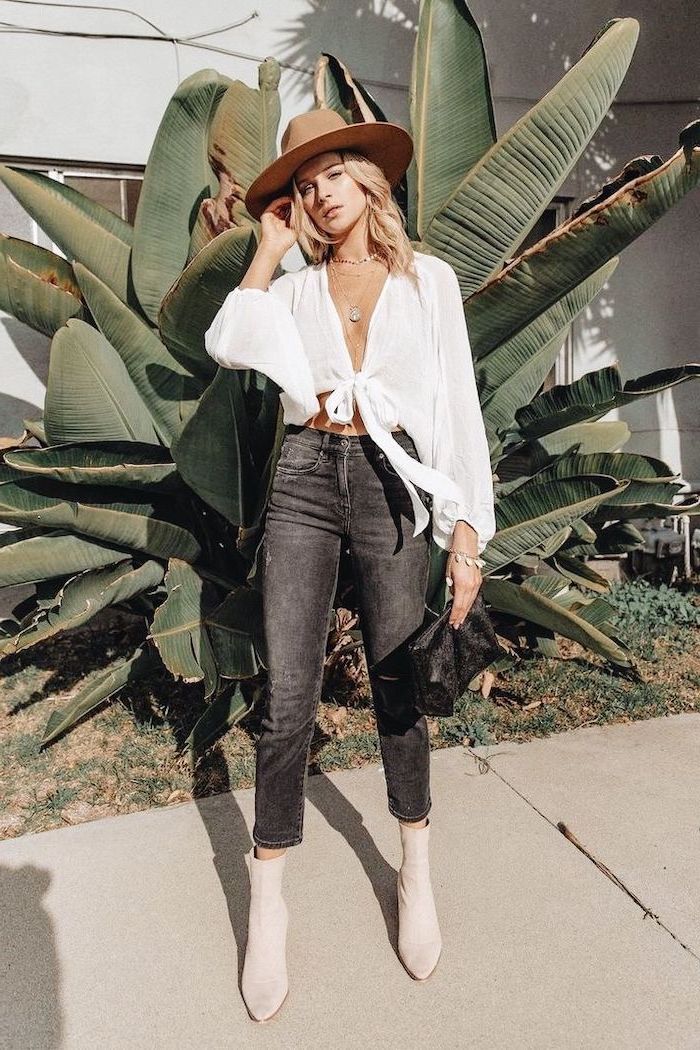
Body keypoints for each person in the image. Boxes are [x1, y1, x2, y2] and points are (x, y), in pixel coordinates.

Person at [204, 108, 496, 1022]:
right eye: (304, 183)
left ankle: (414, 868)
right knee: (288, 698)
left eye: (333, 172)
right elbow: (225, 339)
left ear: (370, 180)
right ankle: (270, 901)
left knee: (397, 682)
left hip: (392, 482)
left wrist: (466, 531)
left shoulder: (431, 283)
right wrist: (266, 247)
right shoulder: (292, 289)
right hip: (303, 477)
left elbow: (457, 407)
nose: (320, 194)